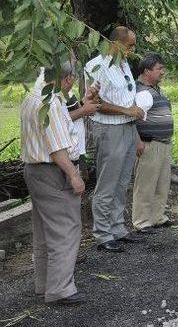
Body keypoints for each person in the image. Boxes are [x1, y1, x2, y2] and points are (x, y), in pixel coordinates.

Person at [21, 61, 98, 304]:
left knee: (44, 232)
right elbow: (57, 148)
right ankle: (60, 289)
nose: (71, 85)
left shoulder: (31, 97)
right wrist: (74, 175)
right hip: (54, 171)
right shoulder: (50, 102)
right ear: (66, 79)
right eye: (71, 80)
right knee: (66, 229)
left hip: (34, 170)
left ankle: (44, 284)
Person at [84, 26, 144, 252]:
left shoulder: (124, 63)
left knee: (122, 181)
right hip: (109, 130)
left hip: (128, 128)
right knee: (107, 183)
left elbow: (126, 94)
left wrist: (134, 111)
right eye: (129, 45)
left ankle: (118, 228)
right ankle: (102, 233)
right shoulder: (96, 66)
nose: (132, 49)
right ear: (115, 43)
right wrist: (126, 111)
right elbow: (96, 103)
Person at [132, 53, 176, 232]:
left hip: (164, 143)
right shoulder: (136, 89)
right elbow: (130, 118)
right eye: (159, 69)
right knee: (145, 184)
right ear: (147, 70)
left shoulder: (158, 89)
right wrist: (137, 140)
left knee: (162, 183)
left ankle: (158, 217)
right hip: (149, 143)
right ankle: (141, 222)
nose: (162, 72)